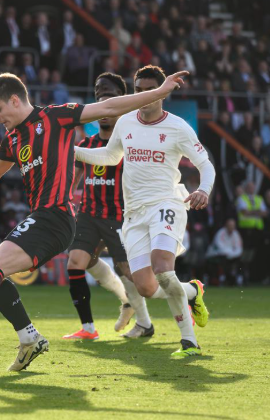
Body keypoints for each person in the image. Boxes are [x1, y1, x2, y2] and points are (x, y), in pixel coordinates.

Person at [0, 68, 191, 371]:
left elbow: (110, 107)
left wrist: (160, 91)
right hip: (43, 217)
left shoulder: (57, 117)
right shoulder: (13, 138)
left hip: (56, 216)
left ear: (16, 100)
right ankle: (29, 338)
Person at [74, 65, 215, 358]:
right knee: (148, 287)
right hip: (134, 215)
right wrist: (71, 151)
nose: (144, 95)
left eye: (150, 89)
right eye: (138, 90)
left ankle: (189, 341)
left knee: (163, 268)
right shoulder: (125, 122)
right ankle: (192, 292)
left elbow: (205, 164)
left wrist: (204, 189)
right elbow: (111, 156)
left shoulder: (177, 127)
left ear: (162, 91)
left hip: (167, 204)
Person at [64, 72, 153, 341]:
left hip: (120, 216)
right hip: (89, 215)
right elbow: (74, 180)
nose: (103, 105)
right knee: (77, 263)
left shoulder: (131, 143)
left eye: (110, 98)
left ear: (122, 102)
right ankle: (89, 328)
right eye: (99, 98)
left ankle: (146, 321)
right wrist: (64, 201)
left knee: (131, 273)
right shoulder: (87, 144)